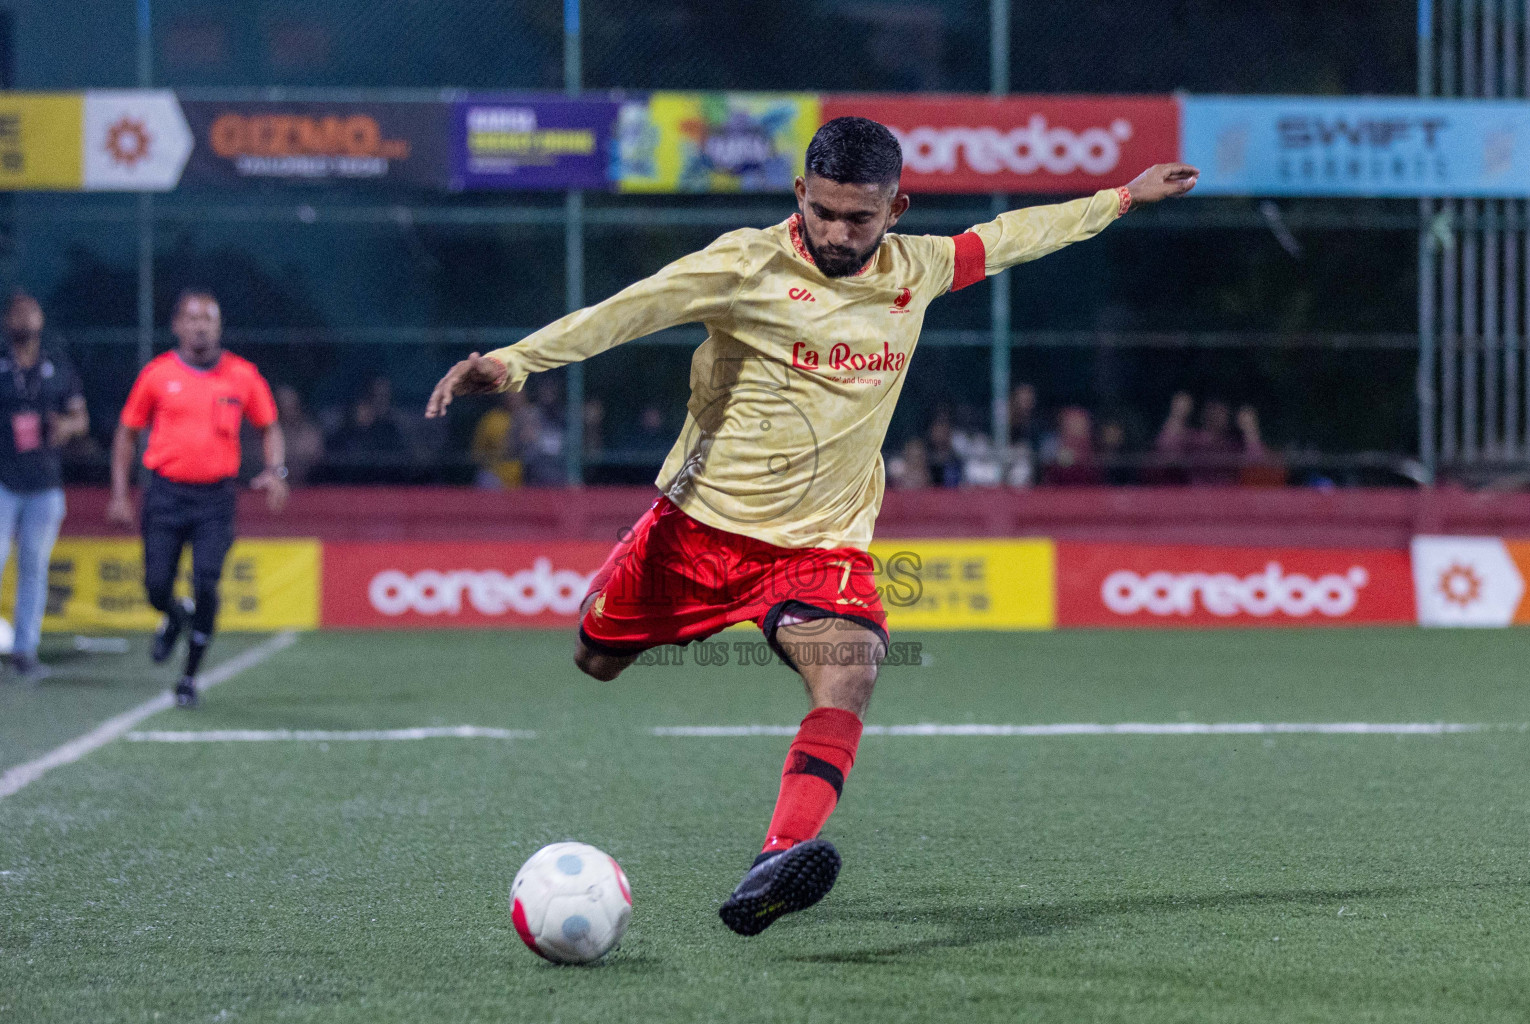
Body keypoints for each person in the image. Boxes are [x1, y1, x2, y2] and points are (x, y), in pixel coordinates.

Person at [426, 116, 1199, 936]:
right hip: (697, 531)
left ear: (896, 209)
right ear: (800, 193)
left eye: (857, 218)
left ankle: (776, 856)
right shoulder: (745, 264)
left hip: (821, 546)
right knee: (594, 656)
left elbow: (1013, 236)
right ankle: (652, 640)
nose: (836, 232)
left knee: (852, 670)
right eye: (822, 211)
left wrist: (1122, 198)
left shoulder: (921, 268)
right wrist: (511, 362)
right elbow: (629, 311)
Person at [107, 291, 289, 707]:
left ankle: (189, 677)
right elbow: (127, 433)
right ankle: (173, 617)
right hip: (166, 493)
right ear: (177, 325)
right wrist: (119, 492)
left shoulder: (242, 375)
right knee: (155, 586)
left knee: (207, 582)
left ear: (219, 326)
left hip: (215, 499)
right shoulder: (157, 374)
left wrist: (276, 470)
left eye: (208, 318)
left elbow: (270, 426)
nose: (201, 325)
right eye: (192, 318)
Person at [0, 293, 87, 680]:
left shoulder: (57, 365)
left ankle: (25, 650)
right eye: (17, 312)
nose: (24, 317)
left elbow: (80, 418)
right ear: (6, 321)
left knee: (34, 566)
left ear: (42, 318)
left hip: (45, 482)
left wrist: (65, 427)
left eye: (31, 311)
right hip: (2, 478)